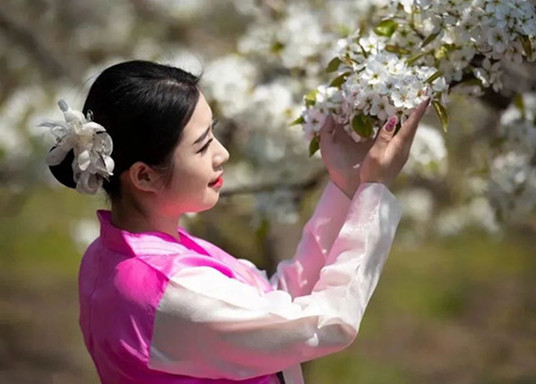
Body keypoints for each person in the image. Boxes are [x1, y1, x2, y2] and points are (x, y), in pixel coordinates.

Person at [43, 60, 429, 384]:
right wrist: (373, 189)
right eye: (202, 144)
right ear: (143, 176)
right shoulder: (166, 290)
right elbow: (325, 324)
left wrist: (347, 188)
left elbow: (274, 307)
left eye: (214, 134)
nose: (222, 153)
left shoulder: (121, 253)